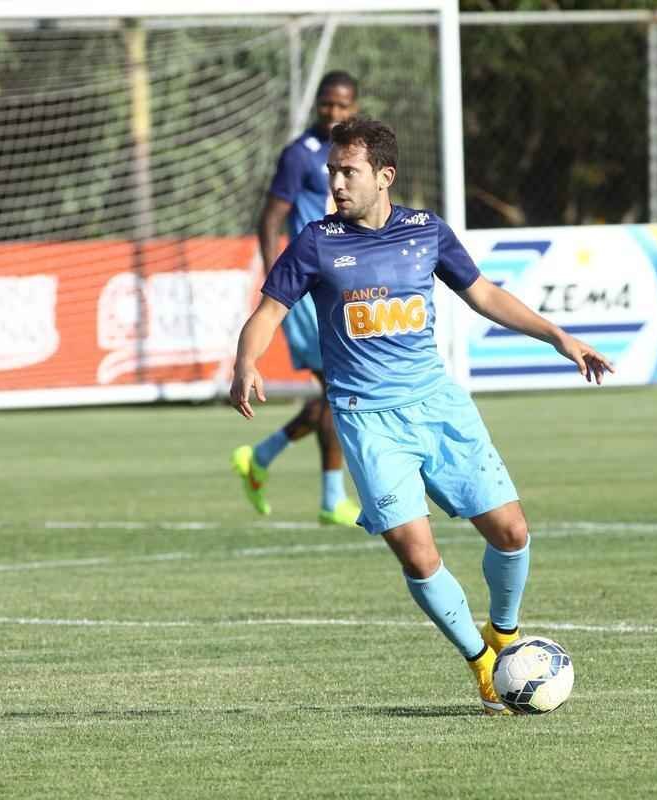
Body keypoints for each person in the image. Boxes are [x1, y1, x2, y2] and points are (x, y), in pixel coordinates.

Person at [228, 118, 613, 714]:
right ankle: (483, 666)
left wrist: (558, 337)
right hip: (367, 419)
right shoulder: (315, 242)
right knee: (416, 551)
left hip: (438, 406)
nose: (336, 183)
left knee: (512, 532)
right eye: (332, 171)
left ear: (385, 176)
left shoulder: (426, 231)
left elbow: (485, 295)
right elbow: (268, 312)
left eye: (348, 172)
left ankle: (504, 633)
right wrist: (246, 361)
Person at [231, 70, 362, 527]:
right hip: (306, 290)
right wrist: (282, 286)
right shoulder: (299, 154)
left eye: (342, 105)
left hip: (341, 284)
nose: (333, 112)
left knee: (341, 391)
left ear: (354, 107)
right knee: (341, 389)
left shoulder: (353, 154)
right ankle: (331, 498)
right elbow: (270, 220)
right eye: (327, 103)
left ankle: (261, 457)